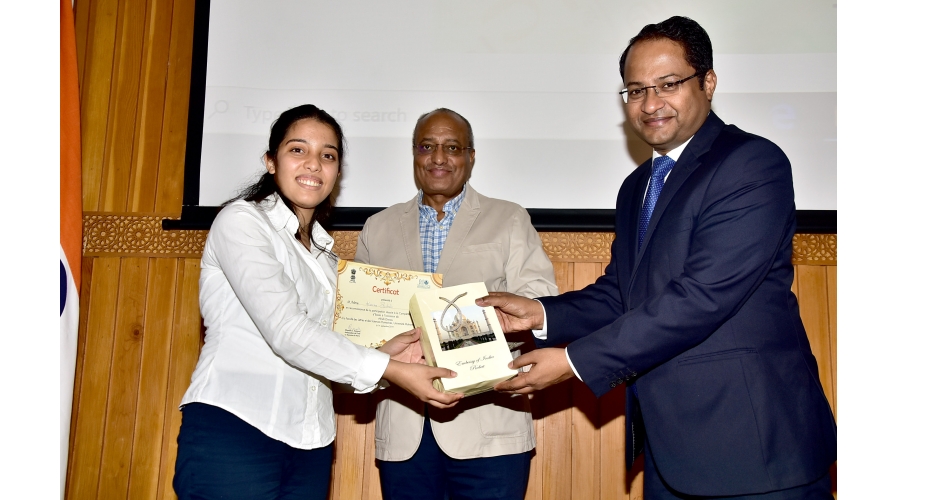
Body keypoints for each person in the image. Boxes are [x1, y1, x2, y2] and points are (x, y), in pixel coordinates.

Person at [476, 17, 837, 499]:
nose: (650, 104)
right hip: (670, 451)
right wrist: (541, 314)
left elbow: (702, 297)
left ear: (708, 82)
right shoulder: (636, 187)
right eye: (635, 90)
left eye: (668, 85)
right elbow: (623, 292)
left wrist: (574, 361)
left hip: (754, 445)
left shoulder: (752, 163)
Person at [173, 104, 462, 500]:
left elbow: (325, 359)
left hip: (310, 444)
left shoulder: (326, 259)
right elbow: (288, 333)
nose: (314, 164)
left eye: (328, 155)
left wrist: (383, 356)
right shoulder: (241, 222)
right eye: (298, 150)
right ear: (270, 161)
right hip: (235, 428)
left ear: (337, 173)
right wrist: (391, 369)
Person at [354, 108, 558, 500]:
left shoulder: (509, 218)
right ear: (414, 154)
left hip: (490, 429)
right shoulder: (377, 227)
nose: (439, 158)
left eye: (452, 147)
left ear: (471, 157)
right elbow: (360, 327)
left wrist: (471, 327)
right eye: (427, 146)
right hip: (405, 432)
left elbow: (539, 302)